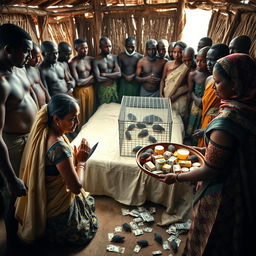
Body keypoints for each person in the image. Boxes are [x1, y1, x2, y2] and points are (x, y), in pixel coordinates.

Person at [158, 53, 256, 256]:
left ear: (236, 84)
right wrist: (201, 150)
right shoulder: (249, 107)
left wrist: (176, 177)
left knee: (209, 238)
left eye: (218, 82)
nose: (213, 87)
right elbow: (230, 151)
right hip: (247, 184)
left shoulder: (229, 119)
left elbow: (211, 170)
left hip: (223, 193)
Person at [15, 94, 99, 245]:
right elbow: (75, 188)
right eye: (72, 118)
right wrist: (81, 162)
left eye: (77, 117)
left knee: (88, 203)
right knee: (87, 223)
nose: (77, 122)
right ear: (56, 119)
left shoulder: (45, 133)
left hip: (46, 201)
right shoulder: (58, 148)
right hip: (56, 212)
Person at [0, 23, 38, 247]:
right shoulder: (1, 83)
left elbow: (31, 97)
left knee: (32, 188)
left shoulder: (19, 69)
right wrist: (11, 177)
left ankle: (30, 231)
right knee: (13, 195)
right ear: (8, 50)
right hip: (13, 145)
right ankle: (13, 245)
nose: (30, 56)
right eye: (26, 51)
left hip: (30, 139)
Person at [193, 44, 229, 147]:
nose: (208, 63)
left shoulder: (228, 84)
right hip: (205, 120)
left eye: (212, 60)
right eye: (207, 59)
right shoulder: (209, 79)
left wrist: (208, 129)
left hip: (218, 126)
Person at [186, 46, 210, 145]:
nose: (199, 64)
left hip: (206, 109)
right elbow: (190, 92)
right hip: (195, 107)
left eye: (203, 61)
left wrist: (203, 101)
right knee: (191, 130)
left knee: (201, 130)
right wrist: (197, 99)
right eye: (197, 60)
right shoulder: (193, 74)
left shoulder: (211, 75)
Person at [70, 39, 95, 130]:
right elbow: (78, 83)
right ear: (76, 49)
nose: (85, 50)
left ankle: (90, 129)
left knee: (90, 110)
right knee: (80, 112)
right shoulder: (73, 63)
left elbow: (95, 78)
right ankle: (80, 131)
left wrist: (89, 79)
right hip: (79, 91)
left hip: (90, 89)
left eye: (86, 47)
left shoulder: (91, 59)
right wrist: (92, 77)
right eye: (82, 48)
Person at [160, 41, 189, 120]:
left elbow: (188, 86)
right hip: (166, 96)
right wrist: (161, 93)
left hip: (179, 99)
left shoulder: (187, 67)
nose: (176, 55)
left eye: (180, 52)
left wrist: (175, 96)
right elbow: (163, 80)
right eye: (174, 52)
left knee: (176, 120)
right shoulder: (168, 64)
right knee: (165, 118)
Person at [93, 37, 121, 105]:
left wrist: (105, 75)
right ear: (100, 47)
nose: (109, 49)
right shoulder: (96, 60)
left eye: (110, 46)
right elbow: (99, 79)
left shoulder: (114, 57)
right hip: (103, 88)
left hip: (113, 87)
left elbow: (119, 74)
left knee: (114, 107)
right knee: (103, 108)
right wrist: (112, 77)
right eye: (106, 47)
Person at [26, 42, 51, 108]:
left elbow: (44, 88)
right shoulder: (23, 72)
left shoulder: (36, 69)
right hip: (36, 108)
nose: (37, 60)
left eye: (39, 57)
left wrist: (50, 104)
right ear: (28, 55)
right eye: (34, 57)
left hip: (44, 106)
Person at [117, 37, 143, 101]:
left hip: (135, 82)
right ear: (125, 46)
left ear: (136, 46)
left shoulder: (139, 57)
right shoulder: (121, 56)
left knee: (134, 101)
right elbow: (118, 70)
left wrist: (133, 76)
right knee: (123, 100)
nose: (130, 49)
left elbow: (141, 71)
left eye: (132, 47)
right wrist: (125, 76)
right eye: (128, 46)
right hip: (124, 82)